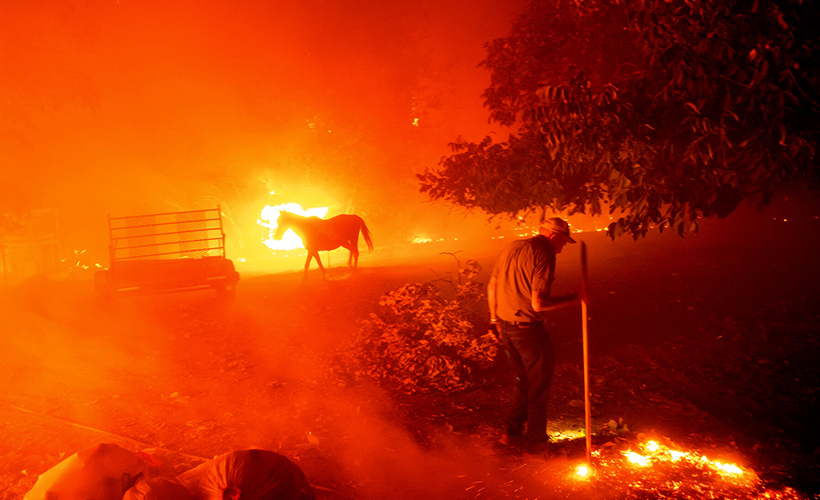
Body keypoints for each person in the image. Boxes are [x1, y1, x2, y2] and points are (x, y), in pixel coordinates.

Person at [487, 217, 580, 450]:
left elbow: (492, 286)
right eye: (563, 243)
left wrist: (493, 320)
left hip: (507, 328)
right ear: (554, 237)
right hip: (528, 332)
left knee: (522, 382)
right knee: (538, 387)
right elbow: (538, 303)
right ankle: (537, 445)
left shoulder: (512, 246)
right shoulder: (544, 253)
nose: (561, 249)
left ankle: (511, 434)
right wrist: (576, 299)